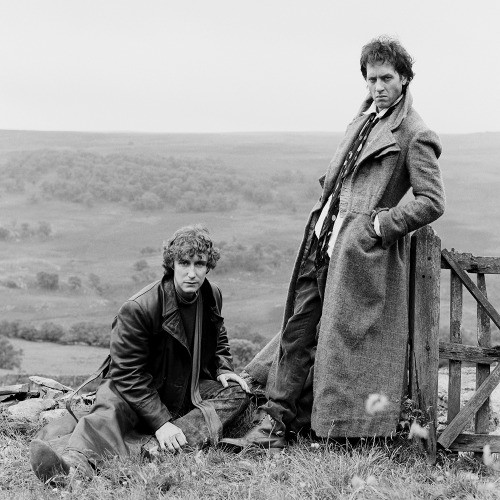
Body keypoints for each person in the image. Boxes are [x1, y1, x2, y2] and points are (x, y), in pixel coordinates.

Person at [223, 36, 445, 449]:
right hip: (323, 241)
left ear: (404, 78)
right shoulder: (362, 120)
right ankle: (274, 425)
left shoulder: (415, 132)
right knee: (298, 331)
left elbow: (432, 201)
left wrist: (378, 225)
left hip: (357, 255)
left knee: (341, 346)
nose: (377, 86)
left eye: (386, 78)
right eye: (371, 78)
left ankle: (331, 428)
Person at [30, 225, 250, 483]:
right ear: (172, 264)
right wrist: (160, 421)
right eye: (184, 263)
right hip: (138, 389)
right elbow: (126, 373)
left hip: (187, 390)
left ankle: (156, 446)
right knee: (107, 414)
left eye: (199, 264)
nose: (192, 273)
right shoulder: (138, 308)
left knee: (238, 392)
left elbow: (218, 333)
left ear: (208, 266)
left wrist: (224, 367)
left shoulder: (211, 294)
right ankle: (71, 468)